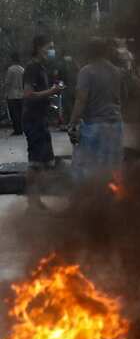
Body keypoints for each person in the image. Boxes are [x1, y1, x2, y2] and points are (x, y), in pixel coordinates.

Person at [67, 37, 125, 187]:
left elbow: (81, 100)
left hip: (95, 126)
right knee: (112, 167)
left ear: (89, 52)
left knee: (83, 168)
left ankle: (86, 202)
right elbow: (120, 97)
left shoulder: (87, 71)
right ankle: (112, 203)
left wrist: (72, 123)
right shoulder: (116, 71)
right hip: (116, 125)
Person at [23, 35, 63, 211]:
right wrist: (51, 91)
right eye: (49, 47)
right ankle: (32, 201)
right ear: (39, 47)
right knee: (35, 162)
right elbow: (28, 94)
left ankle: (35, 199)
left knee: (43, 161)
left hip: (40, 118)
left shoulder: (41, 67)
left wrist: (50, 96)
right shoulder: (32, 67)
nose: (51, 51)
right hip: (33, 120)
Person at [4, 53, 23, 136]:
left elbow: (7, 82)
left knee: (14, 113)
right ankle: (21, 129)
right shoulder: (22, 69)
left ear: (12, 60)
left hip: (12, 94)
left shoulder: (10, 69)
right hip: (21, 94)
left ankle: (17, 130)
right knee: (20, 112)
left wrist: (5, 93)